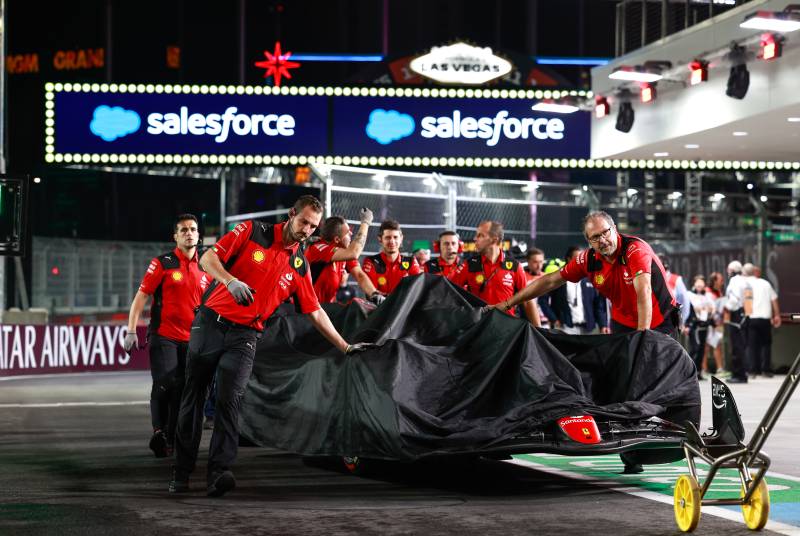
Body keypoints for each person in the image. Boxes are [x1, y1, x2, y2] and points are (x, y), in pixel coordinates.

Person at [169, 195, 370, 497]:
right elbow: (208, 258)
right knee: (193, 398)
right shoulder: (252, 231)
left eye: (313, 227)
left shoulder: (299, 263)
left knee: (230, 402)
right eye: (303, 222)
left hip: (245, 336)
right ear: (291, 214)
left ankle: (218, 473)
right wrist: (229, 281)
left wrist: (345, 346)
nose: (306, 230)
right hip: (210, 324)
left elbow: (315, 311)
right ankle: (181, 473)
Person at [491, 211, 678, 335]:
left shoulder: (635, 250)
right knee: (624, 380)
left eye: (605, 232)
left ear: (615, 230)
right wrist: (507, 304)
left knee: (662, 382)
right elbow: (550, 281)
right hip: (624, 321)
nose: (603, 240)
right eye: (595, 237)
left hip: (659, 319)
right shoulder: (587, 260)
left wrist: (642, 336)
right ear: (588, 241)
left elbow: (643, 291)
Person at [123, 214, 205, 458]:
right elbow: (141, 297)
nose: (189, 233)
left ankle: (171, 437)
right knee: (165, 382)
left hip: (194, 340)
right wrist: (130, 330)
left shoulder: (207, 266)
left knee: (182, 390)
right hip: (164, 336)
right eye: (183, 230)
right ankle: (159, 432)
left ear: (199, 235)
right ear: (175, 236)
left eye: (193, 229)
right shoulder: (163, 263)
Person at [448, 220, 539, 327]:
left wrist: (540, 333)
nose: (475, 239)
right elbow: (448, 291)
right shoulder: (468, 265)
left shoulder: (514, 266)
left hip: (506, 330)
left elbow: (527, 301)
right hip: (478, 329)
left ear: (494, 239)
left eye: (480, 235)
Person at [305, 208, 373, 303]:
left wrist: (374, 294)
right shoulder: (317, 248)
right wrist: (365, 223)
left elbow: (359, 275)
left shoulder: (344, 252)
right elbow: (354, 252)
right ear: (337, 240)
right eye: (348, 232)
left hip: (323, 308)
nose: (351, 233)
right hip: (304, 310)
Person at [546, 245, 609, 335]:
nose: (581, 262)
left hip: (589, 329)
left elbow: (598, 304)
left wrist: (603, 324)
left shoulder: (590, 278)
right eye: (577, 258)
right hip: (565, 328)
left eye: (582, 259)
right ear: (568, 259)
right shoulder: (559, 278)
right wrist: (554, 319)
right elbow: (543, 300)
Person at [360, 219, 422, 304]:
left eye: (395, 237)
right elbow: (372, 294)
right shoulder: (371, 262)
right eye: (388, 237)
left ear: (401, 239)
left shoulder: (411, 261)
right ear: (380, 239)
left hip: (404, 309)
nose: (392, 241)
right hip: (380, 309)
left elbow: (417, 289)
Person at [743, 263, 781, 378]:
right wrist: (777, 315)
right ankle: (766, 370)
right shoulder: (766, 283)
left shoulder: (747, 284)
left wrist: (746, 315)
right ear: (756, 273)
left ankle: (753, 370)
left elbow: (747, 302)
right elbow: (774, 299)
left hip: (752, 317)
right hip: (765, 318)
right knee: (766, 344)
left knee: (752, 345)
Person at [684, 276, 715, 380]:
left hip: (704, 325)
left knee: (702, 350)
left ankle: (699, 371)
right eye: (698, 285)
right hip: (694, 326)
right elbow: (686, 311)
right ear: (694, 284)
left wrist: (709, 310)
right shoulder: (689, 295)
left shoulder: (707, 296)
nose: (699, 287)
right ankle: (689, 372)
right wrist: (686, 325)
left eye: (701, 285)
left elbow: (712, 308)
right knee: (695, 348)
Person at [723, 260, 750, 383]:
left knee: (736, 346)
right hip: (744, 314)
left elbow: (733, 299)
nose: (728, 273)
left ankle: (738, 375)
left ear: (732, 271)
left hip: (736, 315)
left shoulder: (734, 281)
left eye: (729, 270)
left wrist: (726, 307)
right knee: (742, 345)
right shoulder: (745, 280)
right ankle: (742, 373)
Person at [703, 271, 729, 378]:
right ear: (714, 281)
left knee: (718, 345)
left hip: (718, 324)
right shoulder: (707, 292)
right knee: (706, 346)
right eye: (720, 280)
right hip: (709, 323)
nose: (722, 282)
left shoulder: (719, 292)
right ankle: (703, 370)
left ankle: (719, 369)